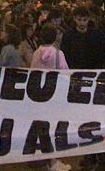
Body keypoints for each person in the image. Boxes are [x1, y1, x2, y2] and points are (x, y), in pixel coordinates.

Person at [30, 23, 70, 171]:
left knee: (43, 128)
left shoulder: (35, 53)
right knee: (54, 129)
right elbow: (65, 73)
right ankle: (53, 161)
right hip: (55, 97)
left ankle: (45, 160)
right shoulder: (59, 54)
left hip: (40, 96)